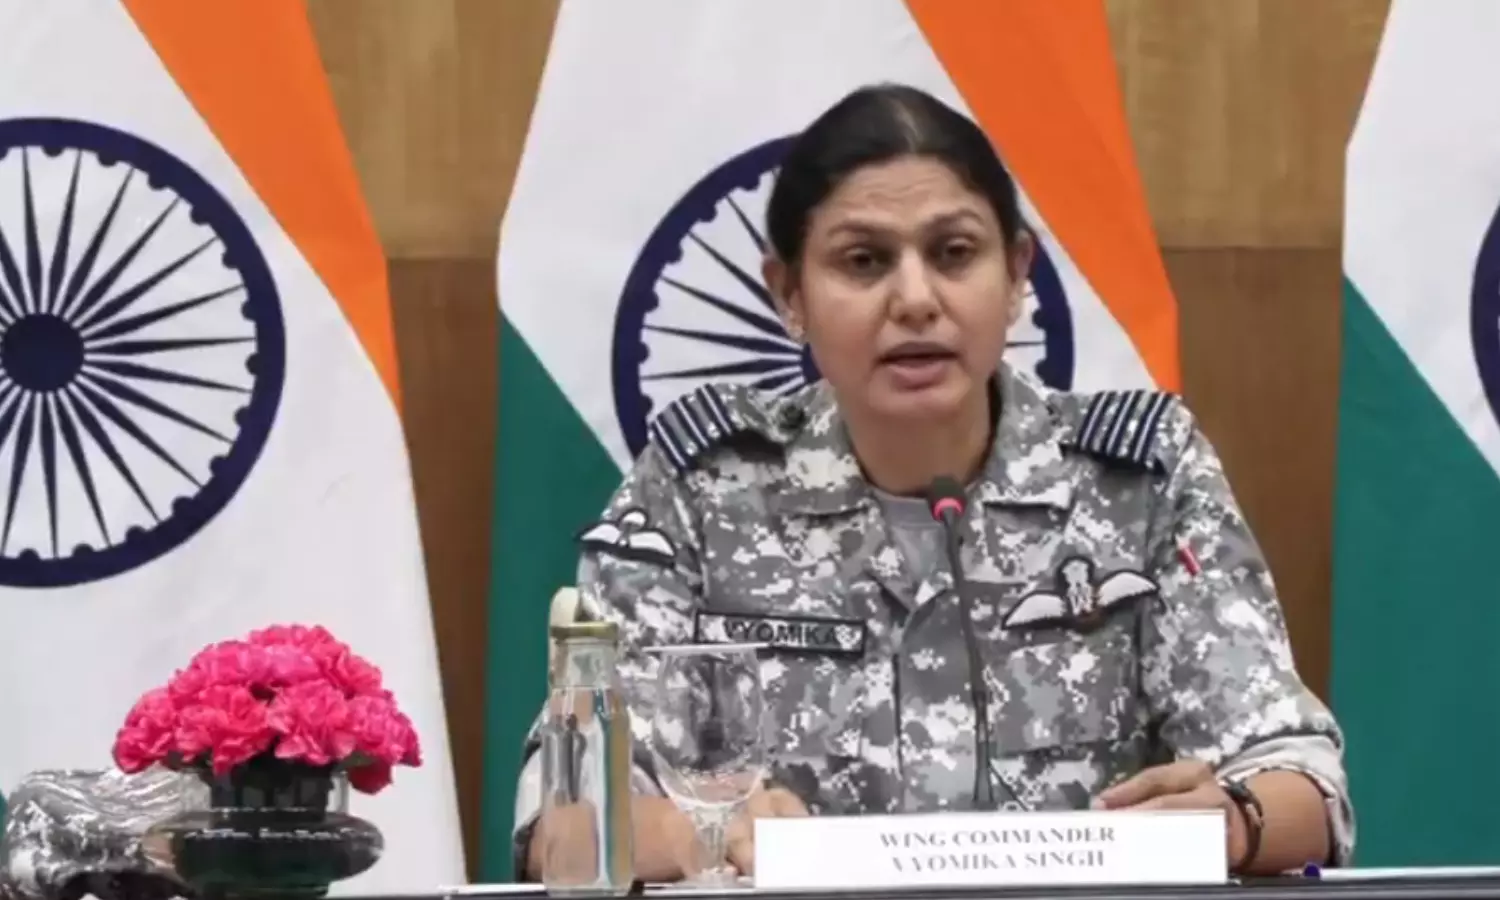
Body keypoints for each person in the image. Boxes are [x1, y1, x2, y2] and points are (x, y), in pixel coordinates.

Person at [514, 82, 1354, 882]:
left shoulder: (1138, 479)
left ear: (1016, 274)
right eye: (864, 261)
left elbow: (1306, 785)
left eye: (955, 254)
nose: (915, 299)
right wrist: (703, 832)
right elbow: (563, 829)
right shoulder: (702, 487)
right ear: (789, 293)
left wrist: (1233, 820)